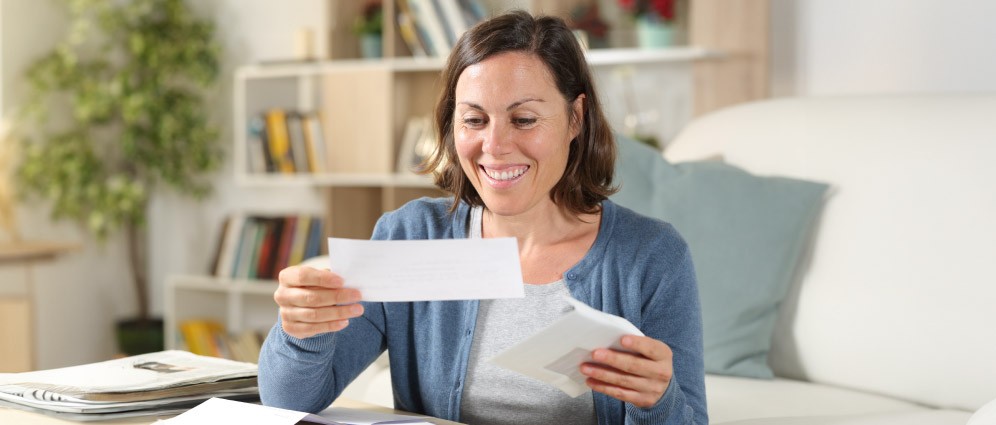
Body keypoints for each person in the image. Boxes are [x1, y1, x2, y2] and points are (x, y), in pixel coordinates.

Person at [259, 10, 706, 425]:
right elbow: (288, 401)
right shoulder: (410, 236)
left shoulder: (652, 257)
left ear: (575, 118)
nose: (494, 145)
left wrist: (659, 400)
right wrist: (301, 332)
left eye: (524, 119)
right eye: (474, 120)